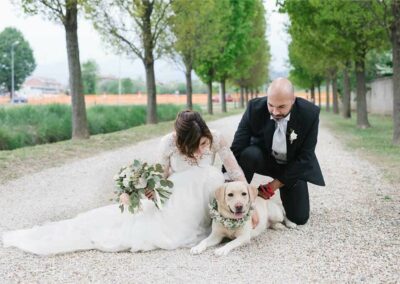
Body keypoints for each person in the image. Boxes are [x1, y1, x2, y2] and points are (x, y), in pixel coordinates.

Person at [2, 110, 247, 255]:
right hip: (179, 203)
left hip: (204, 199)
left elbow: (236, 174)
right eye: (192, 147)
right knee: (143, 230)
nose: (198, 152)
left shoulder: (216, 139)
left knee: (213, 176)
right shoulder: (168, 143)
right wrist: (147, 190)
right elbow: (160, 177)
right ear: (180, 141)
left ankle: (214, 224)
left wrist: (250, 208)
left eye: (202, 145)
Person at [229, 77, 325, 225]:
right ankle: (239, 201)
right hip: (264, 159)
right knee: (249, 154)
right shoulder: (254, 108)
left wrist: (271, 187)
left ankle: (278, 204)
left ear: (293, 100)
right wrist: (228, 184)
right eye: (271, 105)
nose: (275, 111)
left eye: (281, 107)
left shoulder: (309, 114)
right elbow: (237, 147)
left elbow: (306, 157)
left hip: (292, 165)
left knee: (299, 218)